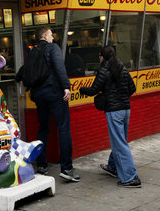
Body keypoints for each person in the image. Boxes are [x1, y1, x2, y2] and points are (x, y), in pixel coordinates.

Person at [78, 44, 140, 187]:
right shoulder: (122, 67)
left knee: (119, 144)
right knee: (120, 140)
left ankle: (131, 177)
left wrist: (81, 89)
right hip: (125, 110)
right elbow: (132, 88)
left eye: (99, 55)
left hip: (114, 111)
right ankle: (113, 166)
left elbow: (94, 89)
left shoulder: (104, 70)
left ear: (102, 56)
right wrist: (121, 98)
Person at [29, 26, 79, 182]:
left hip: (38, 95)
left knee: (43, 129)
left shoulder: (32, 51)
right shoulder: (52, 48)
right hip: (54, 92)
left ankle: (42, 166)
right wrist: (66, 86)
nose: (53, 37)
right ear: (45, 35)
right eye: (51, 35)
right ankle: (67, 168)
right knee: (63, 128)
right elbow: (59, 67)